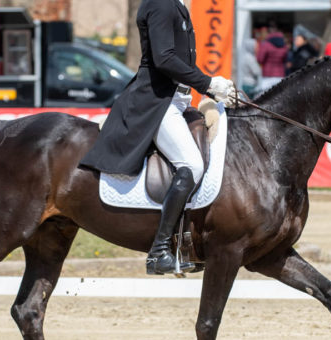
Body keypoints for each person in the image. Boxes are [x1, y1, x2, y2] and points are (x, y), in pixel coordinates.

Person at [80, 0, 236, 275]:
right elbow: (164, 58)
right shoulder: (162, 4)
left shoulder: (174, 5)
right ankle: (159, 250)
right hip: (156, 103)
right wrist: (208, 83)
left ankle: (187, 240)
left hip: (174, 100)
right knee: (192, 165)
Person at [256, 22, 287, 92]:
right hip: (280, 75)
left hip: (268, 75)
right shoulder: (283, 46)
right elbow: (285, 59)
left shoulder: (266, 44)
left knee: (265, 97)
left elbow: (260, 59)